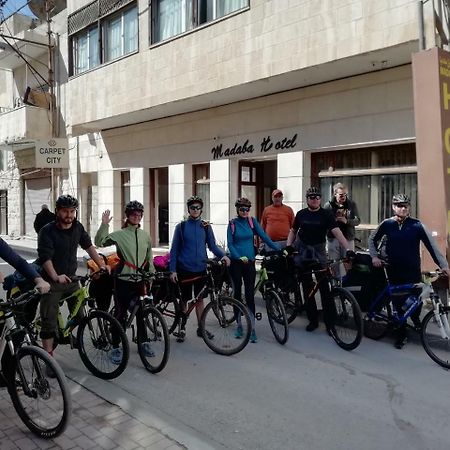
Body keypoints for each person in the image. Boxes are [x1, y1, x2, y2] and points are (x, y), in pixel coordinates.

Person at [369, 193, 450, 349]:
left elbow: (432, 246)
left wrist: (443, 265)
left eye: (406, 205)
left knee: (415, 300)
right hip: (394, 269)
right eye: (399, 205)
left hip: (412, 269)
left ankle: (417, 323)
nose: (403, 208)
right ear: (393, 207)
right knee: (399, 304)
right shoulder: (387, 224)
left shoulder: (417, 225)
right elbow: (372, 239)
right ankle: (401, 334)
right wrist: (374, 257)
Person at [38, 194, 109, 362]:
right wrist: (55, 276)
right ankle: (49, 358)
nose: (69, 215)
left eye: (72, 211)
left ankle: (64, 334)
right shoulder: (47, 231)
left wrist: (101, 265)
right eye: (65, 211)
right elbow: (45, 258)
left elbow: (89, 246)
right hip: (51, 283)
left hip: (71, 280)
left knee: (80, 316)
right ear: (57, 211)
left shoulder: (77, 227)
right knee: (48, 324)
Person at [286, 187, 353, 332]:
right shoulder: (301, 214)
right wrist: (288, 246)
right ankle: (313, 320)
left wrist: (349, 249)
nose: (315, 199)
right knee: (307, 286)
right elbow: (293, 231)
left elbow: (337, 232)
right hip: (303, 251)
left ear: (320, 199)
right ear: (307, 199)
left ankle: (330, 324)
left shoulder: (326, 214)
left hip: (319, 251)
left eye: (317, 197)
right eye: (311, 197)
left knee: (325, 288)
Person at [95, 200, 155, 363]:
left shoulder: (145, 235)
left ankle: (143, 342)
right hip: (123, 279)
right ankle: (115, 346)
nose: (136, 217)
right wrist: (104, 225)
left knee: (141, 313)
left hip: (140, 280)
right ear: (127, 216)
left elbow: (149, 255)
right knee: (120, 314)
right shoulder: (119, 235)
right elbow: (99, 242)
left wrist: (151, 272)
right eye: (133, 214)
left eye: (139, 214)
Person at [169, 196, 230, 342]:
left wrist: (223, 256)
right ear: (188, 209)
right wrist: (173, 270)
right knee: (184, 300)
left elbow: (213, 246)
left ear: (201, 209)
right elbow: (174, 250)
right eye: (192, 207)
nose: (195, 210)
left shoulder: (206, 226)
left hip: (201, 268)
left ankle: (201, 328)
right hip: (184, 268)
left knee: (199, 300)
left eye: (198, 207)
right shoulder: (181, 227)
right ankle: (181, 328)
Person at [227, 197, 280, 343]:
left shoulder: (252, 222)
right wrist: (238, 257)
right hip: (237, 263)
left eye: (247, 209)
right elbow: (230, 244)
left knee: (249, 294)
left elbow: (264, 236)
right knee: (237, 293)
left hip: (250, 262)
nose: (245, 211)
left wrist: (279, 249)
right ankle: (239, 325)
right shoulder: (232, 224)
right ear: (237, 209)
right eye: (242, 209)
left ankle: (252, 327)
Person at [324, 183, 360, 277]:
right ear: (335, 194)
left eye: (345, 194)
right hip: (333, 238)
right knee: (335, 262)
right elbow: (323, 222)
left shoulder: (351, 204)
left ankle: (347, 284)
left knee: (348, 261)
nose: (343, 197)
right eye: (341, 195)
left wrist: (347, 221)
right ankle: (336, 284)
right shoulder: (328, 206)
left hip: (348, 238)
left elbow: (357, 221)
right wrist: (333, 221)